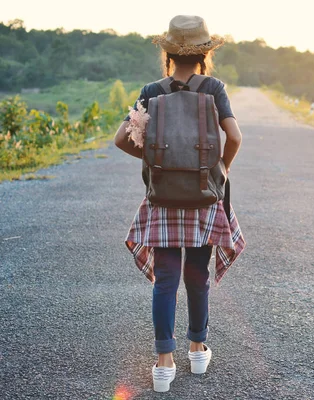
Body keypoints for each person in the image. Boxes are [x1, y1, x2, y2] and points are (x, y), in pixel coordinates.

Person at [113, 15, 246, 392]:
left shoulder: (152, 91)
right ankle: (197, 347)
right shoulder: (214, 88)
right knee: (197, 276)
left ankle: (163, 362)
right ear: (204, 55)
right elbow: (234, 136)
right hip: (203, 195)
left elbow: (122, 138)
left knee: (166, 278)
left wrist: (156, 162)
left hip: (164, 195)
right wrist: (220, 168)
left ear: (168, 53)